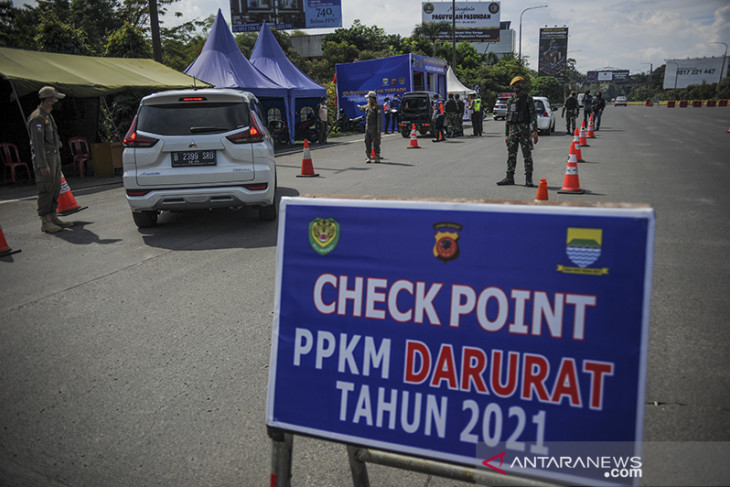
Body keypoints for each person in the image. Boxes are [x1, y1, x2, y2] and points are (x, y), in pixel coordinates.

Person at [27, 86, 74, 233]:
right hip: (45, 158)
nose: (55, 102)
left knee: (55, 187)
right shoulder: (37, 119)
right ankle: (45, 221)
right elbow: (38, 144)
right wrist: (42, 164)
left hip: (54, 155)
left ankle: (53, 216)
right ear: (48, 100)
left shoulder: (48, 115)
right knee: (46, 188)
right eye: (54, 99)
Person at [497, 76, 538, 187]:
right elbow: (508, 118)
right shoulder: (510, 100)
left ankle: (528, 178)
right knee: (511, 155)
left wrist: (534, 130)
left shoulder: (528, 99)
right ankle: (509, 177)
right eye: (516, 85)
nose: (518, 86)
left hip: (524, 131)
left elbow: (533, 115)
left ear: (522, 85)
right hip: (512, 132)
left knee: (527, 155)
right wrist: (506, 134)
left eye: (520, 84)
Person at [358, 91, 382, 162]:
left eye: (369, 98)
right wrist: (361, 107)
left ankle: (377, 156)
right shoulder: (369, 105)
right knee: (367, 141)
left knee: (376, 142)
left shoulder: (377, 106)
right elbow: (365, 107)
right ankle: (368, 156)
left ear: (372, 98)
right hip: (368, 127)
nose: (368, 99)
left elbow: (379, 118)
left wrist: (379, 128)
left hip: (374, 127)